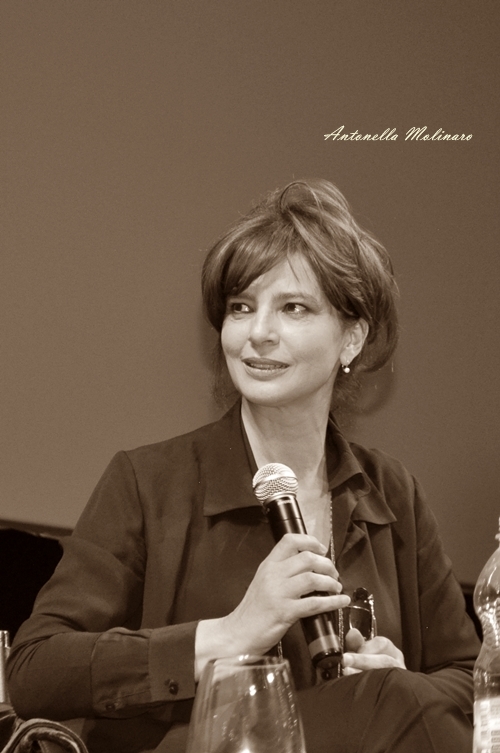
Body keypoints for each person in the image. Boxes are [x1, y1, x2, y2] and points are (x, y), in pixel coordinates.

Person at [7, 179, 480, 753]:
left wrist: (395, 682)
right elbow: (35, 670)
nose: (258, 333)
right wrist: (227, 636)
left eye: (293, 308)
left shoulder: (394, 493)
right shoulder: (149, 482)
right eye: (241, 307)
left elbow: (473, 680)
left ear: (352, 338)